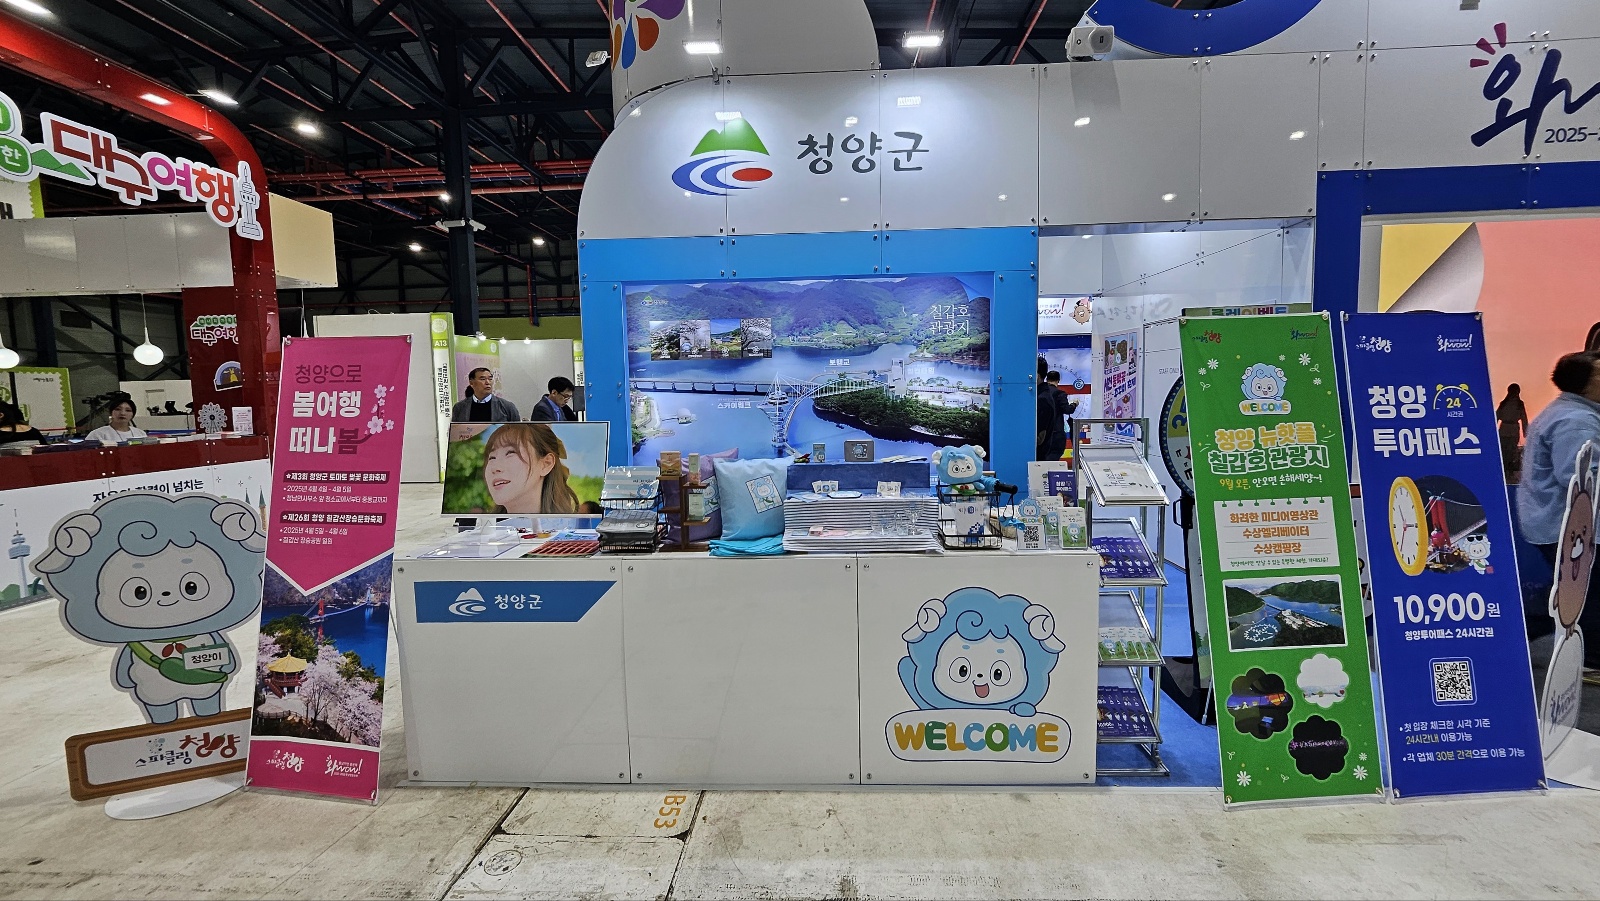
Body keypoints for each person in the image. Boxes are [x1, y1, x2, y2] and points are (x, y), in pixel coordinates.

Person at [1517, 351, 1600, 658]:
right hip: (1569, 528)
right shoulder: (1576, 421)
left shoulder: (1573, 412)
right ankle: (1591, 660)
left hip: (1561, 524)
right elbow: (1580, 478)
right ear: (1585, 383)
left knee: (1577, 591)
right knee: (1586, 594)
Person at [481, 422, 579, 515]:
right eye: (492, 457)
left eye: (510, 453)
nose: (495, 468)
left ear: (546, 464)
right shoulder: (483, 526)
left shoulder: (570, 525)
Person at [452, 367, 520, 423]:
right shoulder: (459, 407)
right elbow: (455, 431)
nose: (488, 382)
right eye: (483, 379)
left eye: (490, 379)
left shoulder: (507, 406)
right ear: (471, 383)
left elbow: (518, 431)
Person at [1496, 383, 1528, 482]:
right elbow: (1497, 416)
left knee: (1510, 452)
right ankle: (1506, 472)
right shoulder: (1505, 403)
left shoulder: (1517, 404)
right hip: (1506, 430)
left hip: (1509, 430)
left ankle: (1508, 472)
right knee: (1506, 452)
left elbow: (1523, 418)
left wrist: (1525, 431)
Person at [1036, 358, 1066, 461]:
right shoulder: (1042, 395)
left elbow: (1040, 436)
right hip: (1056, 438)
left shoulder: (1042, 399)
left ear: (1037, 376)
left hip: (1042, 454)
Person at [1046, 370, 1078, 456]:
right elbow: (1067, 410)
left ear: (1046, 379)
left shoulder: (1040, 393)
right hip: (1056, 432)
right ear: (1058, 380)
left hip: (1042, 433)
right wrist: (1074, 404)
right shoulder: (1059, 394)